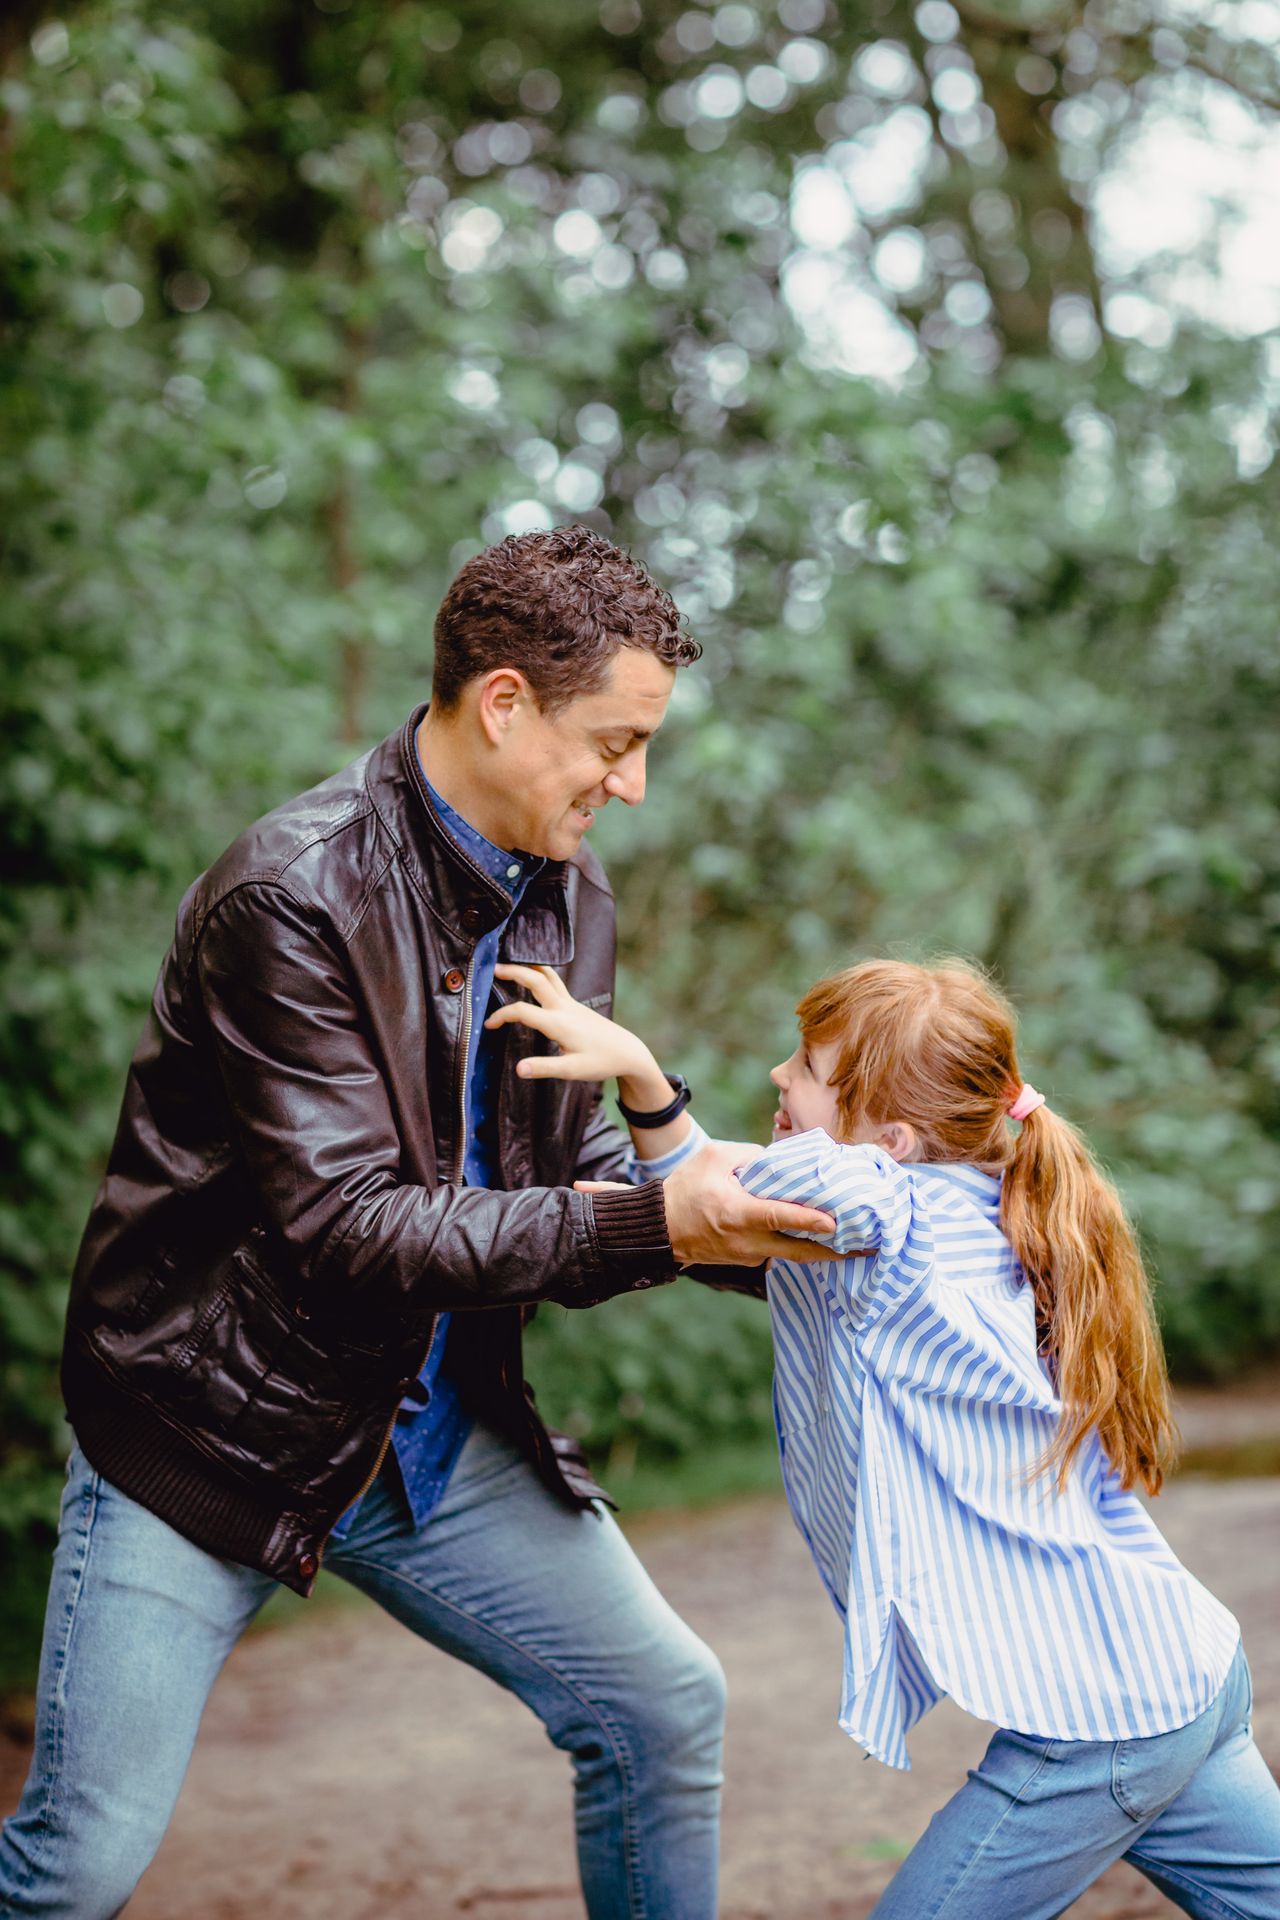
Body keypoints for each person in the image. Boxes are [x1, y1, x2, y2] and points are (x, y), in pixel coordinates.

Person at [0, 526, 837, 1920]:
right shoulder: (291, 895)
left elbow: (566, 1176)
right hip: (209, 1434)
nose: (631, 786)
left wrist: (818, 1222)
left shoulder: (569, 896)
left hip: (435, 1436)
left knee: (661, 1709)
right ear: (503, 702)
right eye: (613, 743)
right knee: (75, 1866)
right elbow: (353, 1223)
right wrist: (656, 1227)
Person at [489, 954, 1280, 1919]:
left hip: (1106, 1724)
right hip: (1181, 1672)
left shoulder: (890, 1216)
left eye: (810, 1070)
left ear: (894, 1139)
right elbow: (737, 1186)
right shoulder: (974, 1205)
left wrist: (644, 1082)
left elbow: (732, 1193)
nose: (781, 1077)